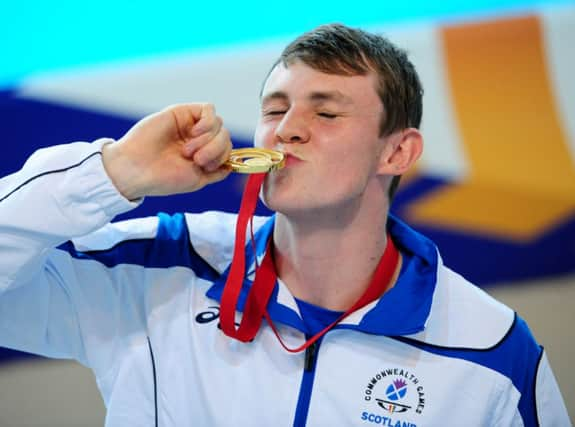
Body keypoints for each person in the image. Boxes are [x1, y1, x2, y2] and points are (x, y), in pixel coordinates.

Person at [0, 23, 570, 427]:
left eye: (325, 112)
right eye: (274, 110)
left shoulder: (490, 350)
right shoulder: (158, 270)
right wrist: (114, 171)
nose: (285, 130)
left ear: (397, 153)